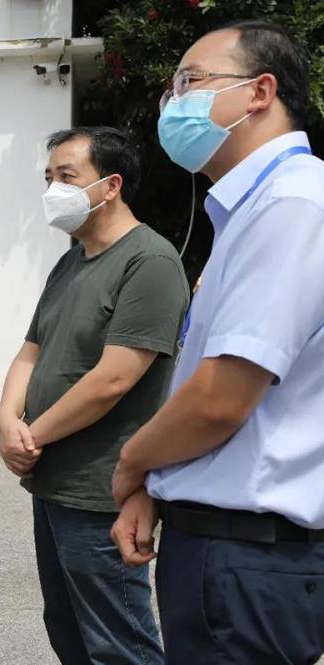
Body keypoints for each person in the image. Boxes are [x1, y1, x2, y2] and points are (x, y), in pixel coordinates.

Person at [111, 20, 324, 665]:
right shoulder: (256, 207)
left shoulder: (292, 204)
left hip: (249, 555)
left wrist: (132, 463)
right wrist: (156, 486)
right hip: (230, 548)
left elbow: (218, 400)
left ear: (260, 91)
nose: (173, 104)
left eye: (190, 82)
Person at [0, 126, 188, 664]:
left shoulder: (148, 262)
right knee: (67, 628)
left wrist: (31, 434)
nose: (53, 190)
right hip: (52, 482)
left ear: (111, 185)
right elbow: (30, 351)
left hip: (101, 489)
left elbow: (113, 380)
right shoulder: (71, 261)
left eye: (67, 176)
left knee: (117, 640)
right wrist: (6, 419)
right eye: (49, 178)